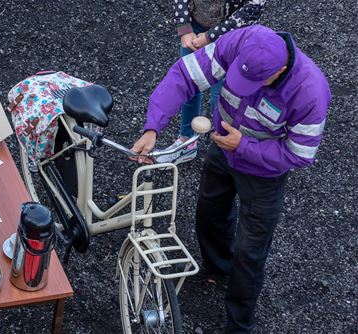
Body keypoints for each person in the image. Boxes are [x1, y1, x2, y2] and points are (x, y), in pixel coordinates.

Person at [132, 25, 330, 333]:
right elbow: (186, 75)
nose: (241, 86)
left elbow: (299, 154)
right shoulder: (241, 41)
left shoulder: (311, 91)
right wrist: (153, 127)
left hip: (264, 174)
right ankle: (216, 268)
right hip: (223, 150)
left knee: (250, 250)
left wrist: (244, 147)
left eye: (254, 82)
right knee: (210, 213)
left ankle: (239, 322)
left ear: (279, 70)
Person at [160, 0, 267, 165]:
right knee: (189, 82)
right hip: (195, 27)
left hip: (232, 37)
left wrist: (211, 36)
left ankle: (223, 149)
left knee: (223, 97)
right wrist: (184, 27)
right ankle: (187, 142)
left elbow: (252, 8)